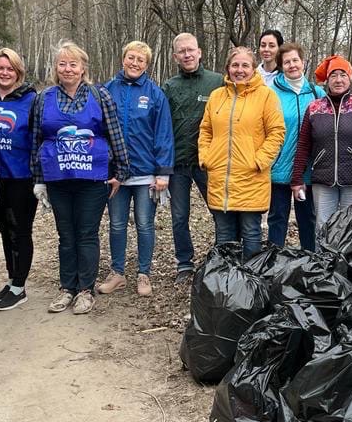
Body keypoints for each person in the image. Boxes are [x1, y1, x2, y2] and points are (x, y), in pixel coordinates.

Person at [31, 42, 130, 315]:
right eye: (62, 63)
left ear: (83, 67)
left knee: (86, 234)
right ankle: (67, 288)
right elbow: (36, 139)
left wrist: (120, 173)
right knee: (66, 235)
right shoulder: (44, 98)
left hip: (93, 179)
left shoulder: (100, 96)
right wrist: (38, 179)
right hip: (58, 178)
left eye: (73, 64)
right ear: (56, 67)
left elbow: (115, 135)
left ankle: (85, 290)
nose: (68, 69)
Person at [97, 41, 173, 298]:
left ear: (147, 64)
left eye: (141, 60)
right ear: (123, 59)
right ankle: (117, 272)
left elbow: (163, 134)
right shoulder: (106, 90)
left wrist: (163, 173)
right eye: (131, 58)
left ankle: (144, 273)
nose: (135, 63)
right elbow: (98, 132)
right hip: (116, 174)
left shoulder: (154, 94)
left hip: (146, 174)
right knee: (117, 224)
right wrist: (103, 168)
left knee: (144, 224)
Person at [199, 46, 285, 258]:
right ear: (227, 68)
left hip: (251, 178)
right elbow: (205, 130)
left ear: (253, 68)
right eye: (235, 65)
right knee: (225, 235)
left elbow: (277, 132)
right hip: (221, 179)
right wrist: (206, 157)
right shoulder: (217, 96)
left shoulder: (266, 96)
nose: (240, 70)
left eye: (245, 65)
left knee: (251, 233)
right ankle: (225, 282)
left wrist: (259, 161)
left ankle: (250, 283)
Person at [0, 48, 37, 310]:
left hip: (21, 176)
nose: (5, 73)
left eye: (10, 68)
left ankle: (19, 286)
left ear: (18, 72)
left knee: (20, 231)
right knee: (4, 231)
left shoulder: (32, 99)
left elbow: (38, 137)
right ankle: (12, 279)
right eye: (0, 68)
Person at [290, 55, 352, 228]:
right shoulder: (314, 108)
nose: (338, 80)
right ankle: (324, 256)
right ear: (327, 80)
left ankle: (349, 257)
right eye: (333, 76)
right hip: (323, 179)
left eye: (343, 75)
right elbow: (303, 145)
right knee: (323, 227)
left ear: (350, 77)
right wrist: (296, 179)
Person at [162, 33, 222, 283]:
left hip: (208, 162)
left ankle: (221, 258)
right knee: (179, 217)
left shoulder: (217, 81)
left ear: (199, 52)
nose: (187, 55)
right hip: (178, 163)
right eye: (181, 52)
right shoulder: (169, 86)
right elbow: (162, 126)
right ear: (175, 56)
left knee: (219, 212)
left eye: (190, 50)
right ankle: (184, 264)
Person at [267, 41, 324, 250]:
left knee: (308, 218)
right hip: (279, 166)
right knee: (277, 217)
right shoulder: (271, 93)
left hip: (309, 169)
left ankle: (309, 261)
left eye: (295, 60)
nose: (292, 65)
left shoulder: (317, 93)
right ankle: (274, 260)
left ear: (303, 62)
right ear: (281, 66)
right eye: (286, 62)